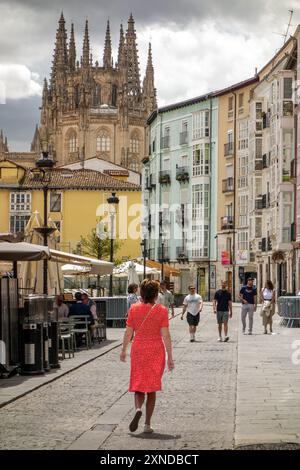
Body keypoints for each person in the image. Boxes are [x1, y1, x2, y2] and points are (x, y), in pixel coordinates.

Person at [120, 279, 174, 434]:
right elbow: (166, 335)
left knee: (138, 384)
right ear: (156, 294)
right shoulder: (162, 310)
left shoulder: (133, 309)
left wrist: (124, 350)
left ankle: (138, 408)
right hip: (156, 349)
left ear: (141, 293)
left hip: (138, 348)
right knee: (151, 388)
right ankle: (147, 424)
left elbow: (128, 332)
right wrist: (170, 357)